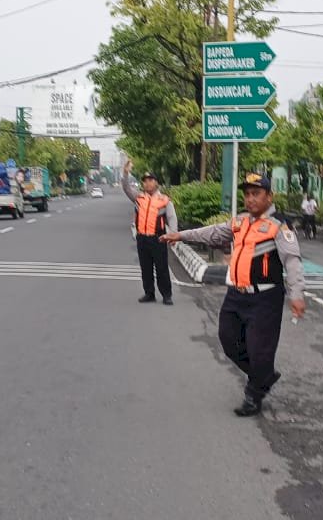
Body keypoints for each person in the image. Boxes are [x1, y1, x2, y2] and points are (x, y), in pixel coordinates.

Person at [161, 172, 307, 417]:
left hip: (265, 299)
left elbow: (292, 261)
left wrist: (297, 294)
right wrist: (181, 235)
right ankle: (263, 376)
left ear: (269, 197)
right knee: (228, 341)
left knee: (260, 350)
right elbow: (212, 233)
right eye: (247, 194)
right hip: (236, 295)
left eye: (256, 194)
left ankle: (254, 393)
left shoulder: (280, 226)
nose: (250, 199)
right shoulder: (239, 221)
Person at [122, 160, 177, 305]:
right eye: (145, 181)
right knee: (145, 268)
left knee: (162, 268)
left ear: (156, 183)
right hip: (142, 239)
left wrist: (174, 235)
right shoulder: (139, 198)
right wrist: (125, 173)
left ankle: (166, 295)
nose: (147, 183)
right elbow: (126, 188)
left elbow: (172, 218)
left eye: (150, 180)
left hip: (158, 239)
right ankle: (149, 293)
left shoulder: (164, 200)